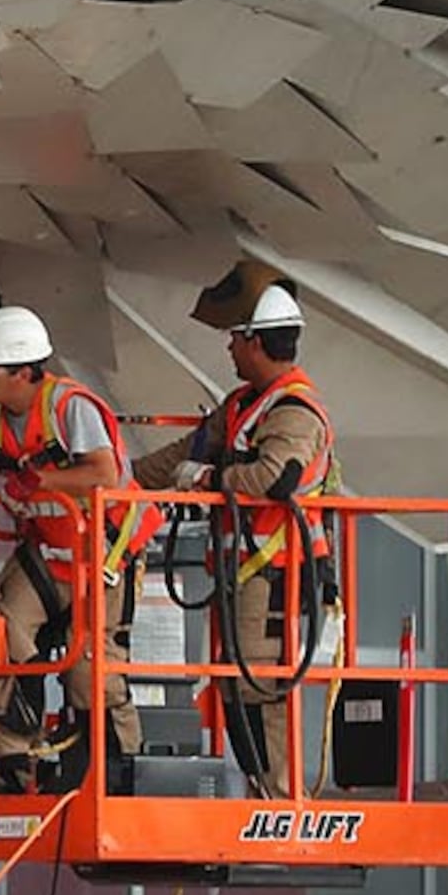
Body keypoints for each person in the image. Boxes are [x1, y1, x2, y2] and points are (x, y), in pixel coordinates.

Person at [136, 267, 341, 791]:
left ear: (255, 341)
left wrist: (207, 478)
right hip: (242, 572)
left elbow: (277, 479)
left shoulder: (295, 411)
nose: (228, 348)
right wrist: (123, 480)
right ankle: (261, 787)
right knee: (234, 686)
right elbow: (185, 453)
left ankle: (278, 795)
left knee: (257, 686)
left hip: (275, 573)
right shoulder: (244, 406)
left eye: (234, 338)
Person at [0, 304, 152, 791]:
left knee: (88, 667)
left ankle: (117, 769)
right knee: (2, 632)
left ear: (23, 372)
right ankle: (12, 761)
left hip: (102, 552)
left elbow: (103, 473)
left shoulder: (71, 408)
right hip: (49, 551)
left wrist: (41, 480)